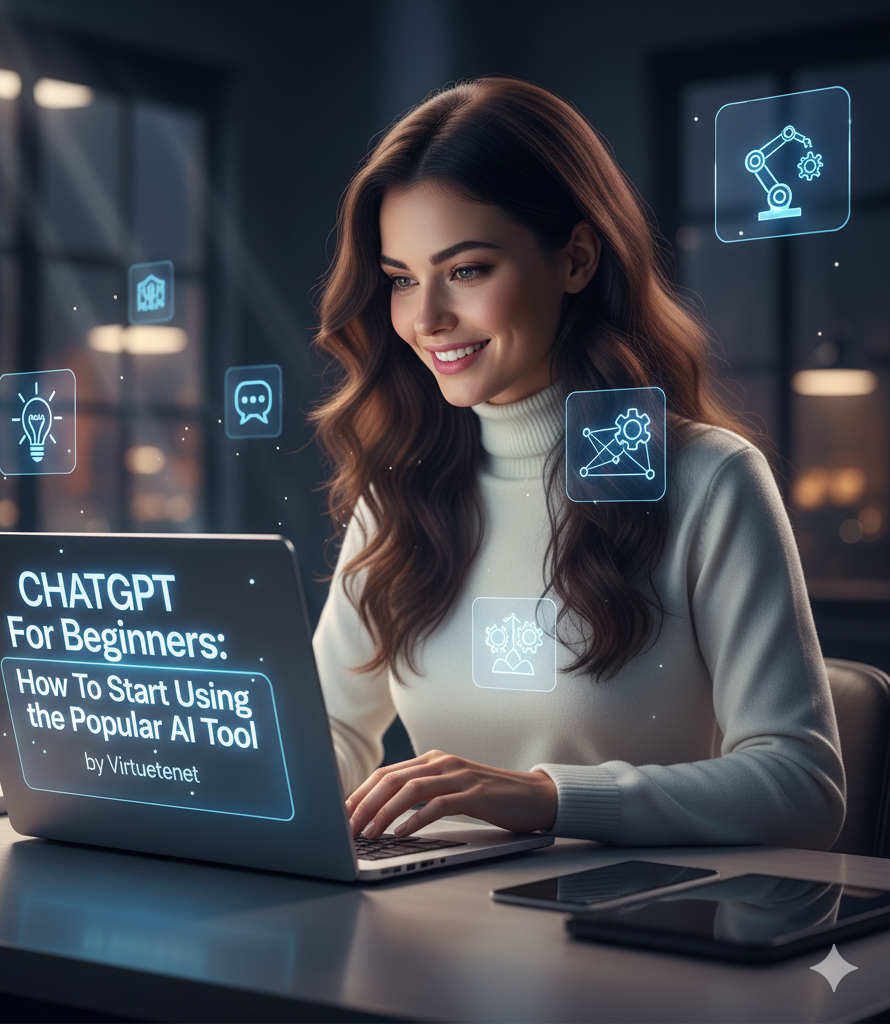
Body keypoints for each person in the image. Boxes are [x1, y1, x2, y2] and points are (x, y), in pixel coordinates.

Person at [308, 77, 846, 851]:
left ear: (577, 259)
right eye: (401, 279)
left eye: (466, 270)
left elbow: (803, 786)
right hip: (428, 933)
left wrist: (545, 798)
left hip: (635, 940)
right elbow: (329, 725)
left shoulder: (710, 481)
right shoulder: (402, 493)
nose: (424, 320)